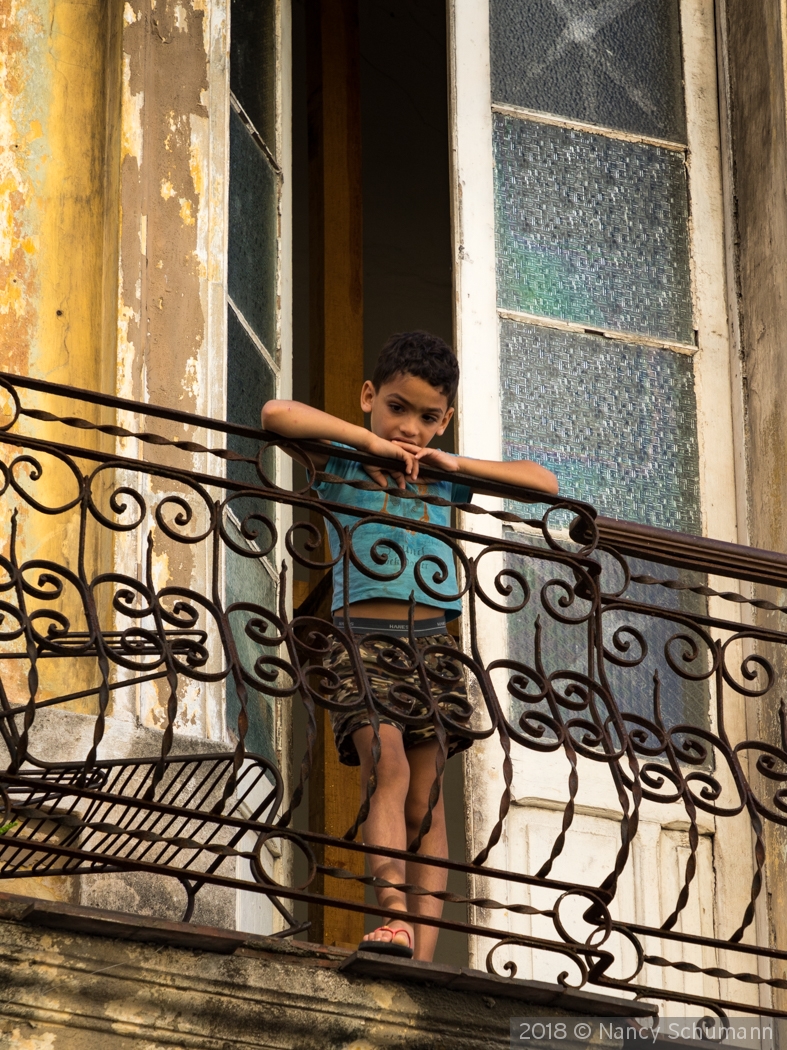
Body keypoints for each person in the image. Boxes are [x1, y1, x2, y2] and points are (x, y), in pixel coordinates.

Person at [262, 331, 558, 962]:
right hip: (361, 639)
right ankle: (390, 912)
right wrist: (368, 441)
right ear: (369, 396)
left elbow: (545, 485)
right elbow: (275, 415)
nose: (410, 429)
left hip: (433, 648)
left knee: (426, 799)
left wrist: (455, 464)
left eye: (428, 418)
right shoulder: (346, 462)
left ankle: (422, 953)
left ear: (444, 420)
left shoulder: (441, 481)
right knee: (386, 765)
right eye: (396, 407)